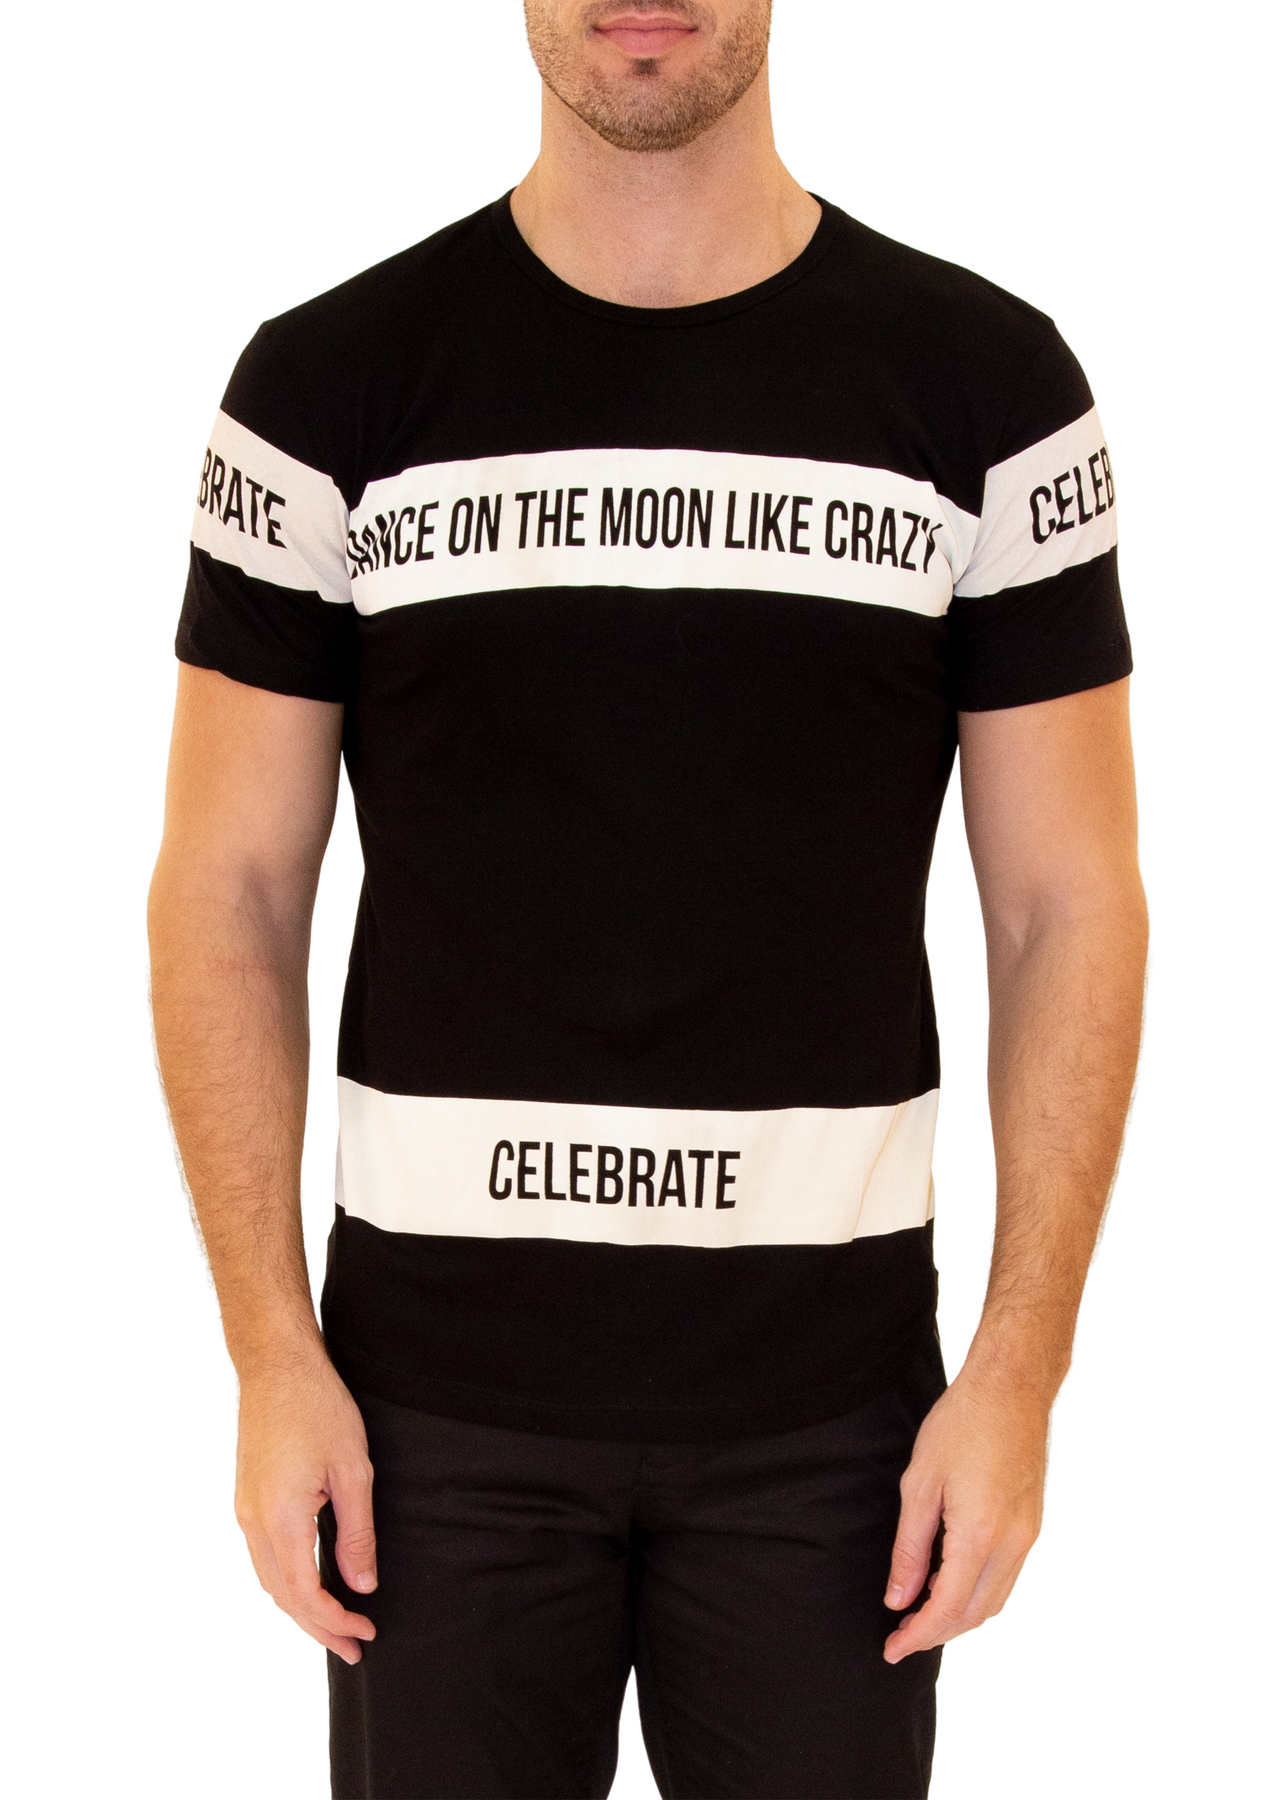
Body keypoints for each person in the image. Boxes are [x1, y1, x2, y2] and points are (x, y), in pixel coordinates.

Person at [148, 4, 1148, 1796]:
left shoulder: (984, 391)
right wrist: (269, 1357)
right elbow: (227, 890)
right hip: (421, 1426)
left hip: (834, 1430)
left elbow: (1064, 906)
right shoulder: (325, 390)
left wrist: (1016, 1375)